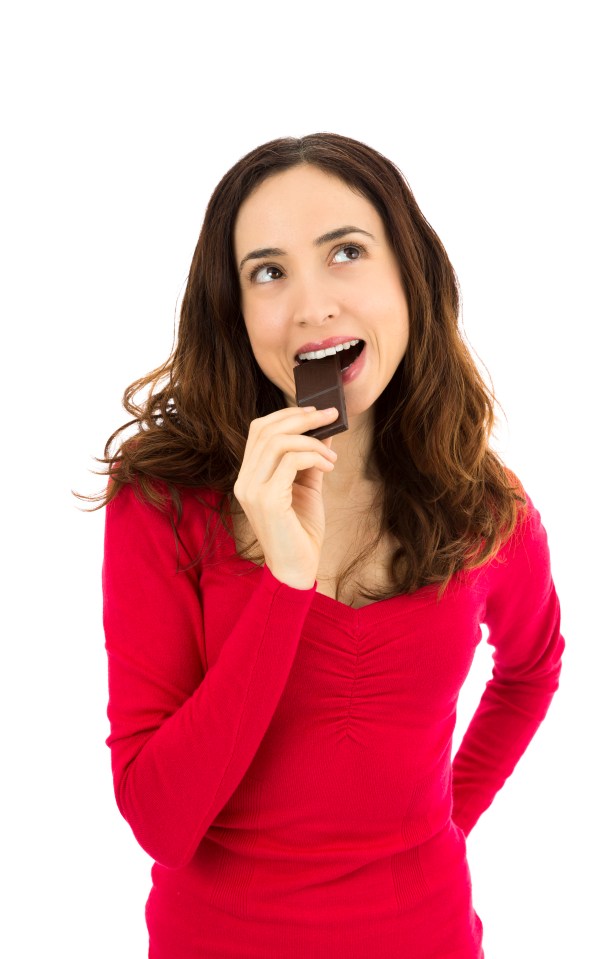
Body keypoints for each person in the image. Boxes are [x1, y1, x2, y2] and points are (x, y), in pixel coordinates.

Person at [94, 133, 564, 958]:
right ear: (236, 314)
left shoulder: (482, 504)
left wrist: (441, 821)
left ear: (408, 274)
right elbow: (160, 823)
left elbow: (532, 667)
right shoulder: (162, 503)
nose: (313, 306)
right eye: (268, 271)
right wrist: (285, 583)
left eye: (345, 251)